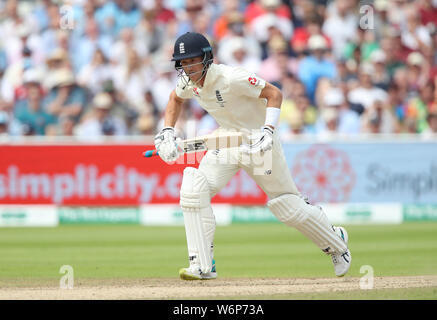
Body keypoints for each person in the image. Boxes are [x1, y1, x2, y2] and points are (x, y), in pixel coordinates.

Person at [153, 32, 352, 280]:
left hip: (259, 142)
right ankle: (202, 265)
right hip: (227, 140)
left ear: (206, 58)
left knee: (287, 206)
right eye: (183, 62)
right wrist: (168, 130)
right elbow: (175, 99)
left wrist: (268, 131)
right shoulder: (188, 83)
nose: (187, 67)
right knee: (194, 188)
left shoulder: (231, 78)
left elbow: (274, 94)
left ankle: (337, 244)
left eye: (192, 60)